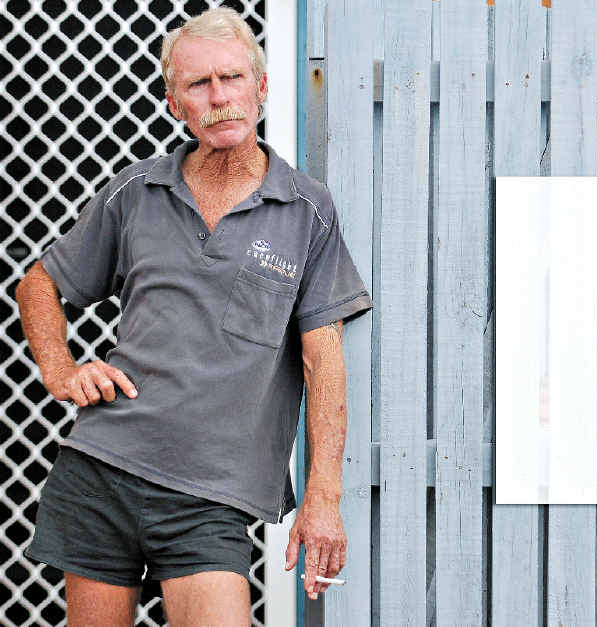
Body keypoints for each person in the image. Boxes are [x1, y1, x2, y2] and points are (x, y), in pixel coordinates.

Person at [15, 7, 371, 625]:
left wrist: (323, 497)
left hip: (213, 495)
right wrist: (60, 370)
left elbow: (324, 359)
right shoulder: (136, 192)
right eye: (199, 84)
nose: (220, 97)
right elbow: (38, 284)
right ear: (174, 102)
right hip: (103, 468)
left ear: (261, 87)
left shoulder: (306, 210)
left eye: (232, 78)